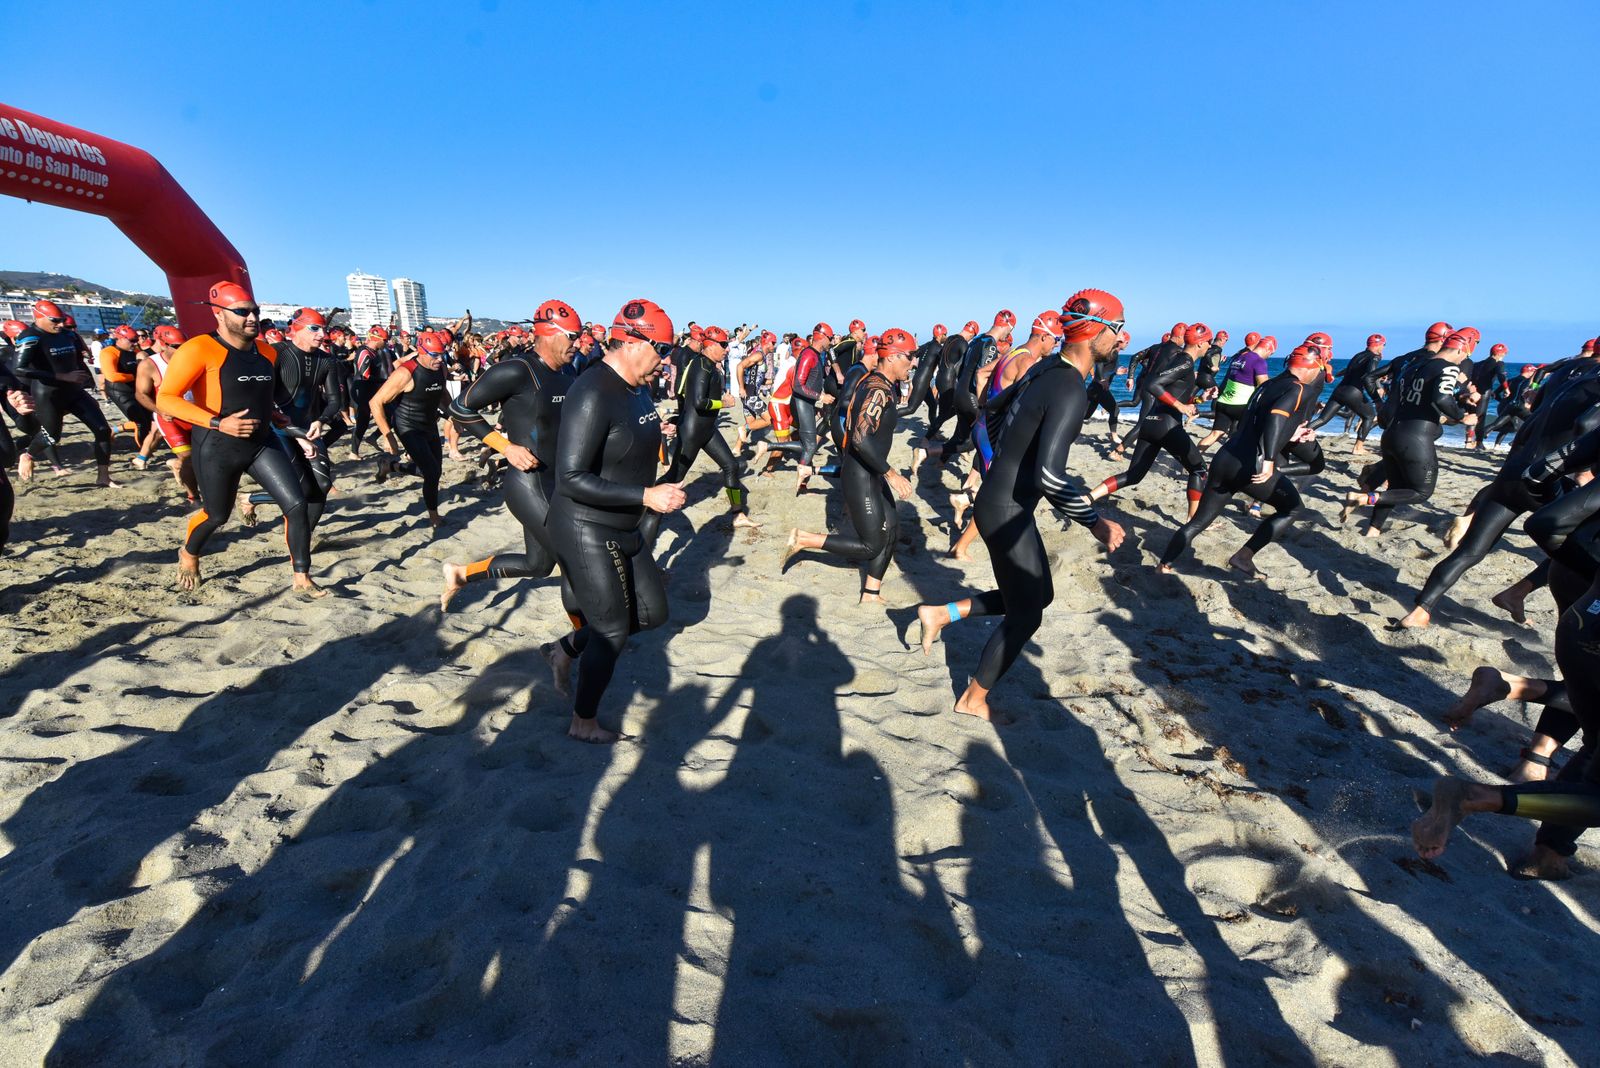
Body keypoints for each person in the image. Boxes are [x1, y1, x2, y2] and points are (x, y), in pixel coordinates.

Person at [914, 288, 1127, 723]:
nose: (1121, 340)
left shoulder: (1045, 367)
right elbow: (1051, 476)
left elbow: (990, 410)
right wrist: (1096, 522)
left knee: (1037, 595)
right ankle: (973, 698)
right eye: (1118, 329)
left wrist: (997, 463)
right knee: (1027, 613)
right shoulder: (1069, 388)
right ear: (1097, 329)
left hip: (1000, 500)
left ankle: (940, 613)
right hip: (1006, 510)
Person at [547, 298, 686, 743]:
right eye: (661, 351)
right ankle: (582, 720)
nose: (664, 363)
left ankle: (565, 648)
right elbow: (569, 478)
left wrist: (656, 431)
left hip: (623, 523)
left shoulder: (637, 386)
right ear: (631, 341)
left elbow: (625, 435)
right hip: (586, 524)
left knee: (652, 612)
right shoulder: (592, 391)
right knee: (610, 629)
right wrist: (646, 494)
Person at [1398, 363, 1600, 627]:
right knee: (1573, 544)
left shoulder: (1570, 381)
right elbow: (1585, 426)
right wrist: (1583, 467)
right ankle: (1518, 592)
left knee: (1471, 550)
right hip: (1546, 477)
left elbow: (1530, 422)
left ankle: (1419, 611)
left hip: (1515, 470)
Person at [155, 281, 324, 596]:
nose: (252, 318)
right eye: (242, 312)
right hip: (217, 445)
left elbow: (260, 393)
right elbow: (166, 398)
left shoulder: (266, 352)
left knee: (297, 504)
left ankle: (301, 577)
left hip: (261, 442)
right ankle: (189, 553)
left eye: (255, 311)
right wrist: (218, 423)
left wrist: (273, 414)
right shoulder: (199, 348)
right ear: (219, 314)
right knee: (217, 515)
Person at [1156, 346, 1328, 576]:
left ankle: (1163, 565)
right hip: (1251, 465)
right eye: (1320, 370)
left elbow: (1256, 421)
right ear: (1311, 367)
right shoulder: (1299, 389)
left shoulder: (1267, 385)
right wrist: (1268, 460)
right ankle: (1243, 557)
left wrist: (1292, 434)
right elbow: (1276, 418)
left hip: (1226, 457)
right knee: (1292, 508)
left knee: (1197, 522)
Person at [781, 328, 918, 601]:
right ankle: (803, 539)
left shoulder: (879, 385)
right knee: (870, 545)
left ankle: (870, 592)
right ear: (891, 357)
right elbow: (860, 439)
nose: (913, 363)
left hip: (870, 471)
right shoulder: (877, 389)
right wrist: (891, 474)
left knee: (891, 529)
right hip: (862, 475)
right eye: (910, 356)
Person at [1341, 330, 1478, 537]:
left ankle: (1373, 531)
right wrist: (1462, 417)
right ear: (1461, 348)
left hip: (1392, 432)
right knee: (1421, 492)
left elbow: (1420, 395)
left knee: (1394, 488)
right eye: (1464, 355)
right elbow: (1441, 399)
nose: (1464, 359)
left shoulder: (1413, 365)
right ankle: (1362, 499)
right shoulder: (1449, 368)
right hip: (1416, 437)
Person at [640, 323, 759, 542]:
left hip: (706, 429)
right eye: (723, 345)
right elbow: (698, 402)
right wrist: (722, 403)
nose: (726, 349)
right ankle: (645, 509)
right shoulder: (701, 366)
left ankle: (737, 513)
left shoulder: (709, 365)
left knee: (731, 465)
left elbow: (683, 393)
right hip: (693, 431)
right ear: (710, 344)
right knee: (674, 478)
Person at [1091, 322, 1212, 519]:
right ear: (1199, 344)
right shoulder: (1186, 361)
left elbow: (1177, 394)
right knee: (1199, 469)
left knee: (1134, 475)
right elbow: (1153, 384)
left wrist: (1200, 399)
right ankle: (1193, 521)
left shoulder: (1180, 360)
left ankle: (1088, 497)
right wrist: (1181, 407)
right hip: (1166, 425)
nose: (1209, 346)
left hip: (1151, 422)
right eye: (1208, 342)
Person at [240, 308, 342, 530]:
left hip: (308, 427)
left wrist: (321, 420)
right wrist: (299, 436)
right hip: (276, 430)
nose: (321, 334)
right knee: (300, 491)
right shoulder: (276, 353)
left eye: (323, 329)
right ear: (295, 329)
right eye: (314, 328)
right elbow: (265, 399)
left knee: (322, 486)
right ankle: (251, 499)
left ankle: (306, 536)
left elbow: (335, 400)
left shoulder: (326, 361)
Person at [10, 299, 116, 486]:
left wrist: (87, 382)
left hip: (74, 391)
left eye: (61, 320)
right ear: (39, 317)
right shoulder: (31, 336)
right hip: (48, 394)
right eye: (55, 321)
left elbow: (78, 362)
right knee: (52, 436)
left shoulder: (69, 335)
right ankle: (27, 455)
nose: (60, 324)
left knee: (103, 430)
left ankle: (103, 477)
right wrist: (61, 376)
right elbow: (19, 368)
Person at [371, 331, 453, 527]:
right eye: (434, 355)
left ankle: (391, 466)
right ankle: (434, 517)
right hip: (407, 425)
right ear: (421, 351)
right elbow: (375, 402)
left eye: (442, 354)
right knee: (432, 472)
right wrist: (388, 436)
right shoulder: (405, 372)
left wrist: (453, 414)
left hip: (429, 424)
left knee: (435, 471)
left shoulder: (441, 369)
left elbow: (442, 395)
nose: (439, 359)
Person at [134, 324, 200, 501]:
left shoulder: (194, 358)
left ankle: (176, 465)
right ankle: (193, 496)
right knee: (189, 459)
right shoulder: (150, 364)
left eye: (184, 346)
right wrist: (159, 410)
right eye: (177, 347)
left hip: (195, 415)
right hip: (170, 419)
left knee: (205, 458)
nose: (182, 350)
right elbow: (141, 394)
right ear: (163, 344)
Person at [1308, 333, 1384, 453]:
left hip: (1340, 389)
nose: (1383, 348)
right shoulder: (1375, 357)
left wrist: (1335, 375)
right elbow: (1371, 374)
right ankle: (1358, 448)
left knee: (1323, 419)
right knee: (1369, 416)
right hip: (1353, 392)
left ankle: (1294, 436)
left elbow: (1348, 370)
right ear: (1379, 345)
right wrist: (1378, 387)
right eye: (1383, 345)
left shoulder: (1358, 355)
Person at [1196, 333, 1272, 449]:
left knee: (1215, 434)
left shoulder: (1239, 356)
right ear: (1267, 349)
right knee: (1241, 437)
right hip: (1240, 406)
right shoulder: (1259, 361)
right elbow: (1263, 386)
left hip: (1223, 402)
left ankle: (1195, 462)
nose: (1270, 355)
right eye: (1271, 353)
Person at [789, 322, 836, 493]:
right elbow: (798, 386)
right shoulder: (809, 354)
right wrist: (821, 397)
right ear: (822, 337)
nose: (831, 342)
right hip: (801, 402)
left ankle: (803, 481)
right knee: (809, 446)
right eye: (830, 339)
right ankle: (801, 482)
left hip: (807, 403)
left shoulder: (816, 354)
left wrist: (818, 403)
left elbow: (813, 381)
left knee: (806, 444)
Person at [99, 324, 155, 465]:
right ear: (120, 338)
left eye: (136, 340)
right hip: (119, 391)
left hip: (134, 389)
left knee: (149, 419)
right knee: (140, 422)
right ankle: (143, 452)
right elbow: (111, 376)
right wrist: (135, 376)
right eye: (131, 340)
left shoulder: (134, 350)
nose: (135, 343)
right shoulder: (109, 352)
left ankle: (117, 431)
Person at [348, 325, 391, 458]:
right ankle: (353, 452)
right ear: (377, 339)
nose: (386, 342)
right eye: (385, 339)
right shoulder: (364, 352)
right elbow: (364, 375)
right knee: (363, 421)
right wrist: (383, 381)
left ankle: (372, 437)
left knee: (389, 415)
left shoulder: (374, 352)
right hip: (362, 390)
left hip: (371, 389)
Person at [1463, 343, 1509, 449]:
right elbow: (1501, 375)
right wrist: (1506, 389)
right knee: (1480, 418)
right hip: (1483, 393)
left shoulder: (1478, 364)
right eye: (1505, 353)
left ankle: (1469, 441)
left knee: (1471, 415)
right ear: (1501, 354)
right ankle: (1477, 443)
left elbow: (1469, 377)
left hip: (1471, 392)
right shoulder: (1499, 363)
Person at [1480, 363, 1538, 446]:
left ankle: (1493, 442)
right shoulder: (1525, 382)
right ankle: (1514, 443)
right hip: (1517, 406)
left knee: (1504, 425)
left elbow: (1495, 394)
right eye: (1533, 371)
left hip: (1505, 406)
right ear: (1529, 371)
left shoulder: (1510, 381)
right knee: (1519, 426)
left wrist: (1503, 401)